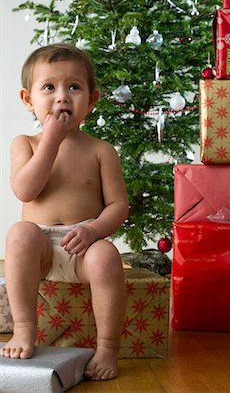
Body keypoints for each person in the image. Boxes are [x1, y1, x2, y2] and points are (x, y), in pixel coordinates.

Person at [0, 43, 129, 381]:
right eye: (49, 87)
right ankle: (25, 327)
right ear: (28, 99)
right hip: (39, 246)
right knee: (19, 234)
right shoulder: (25, 143)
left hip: (83, 244)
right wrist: (51, 142)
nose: (62, 97)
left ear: (92, 99)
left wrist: (94, 231)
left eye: (74, 87)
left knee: (107, 258)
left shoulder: (102, 150)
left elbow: (118, 206)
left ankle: (106, 346)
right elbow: (25, 190)